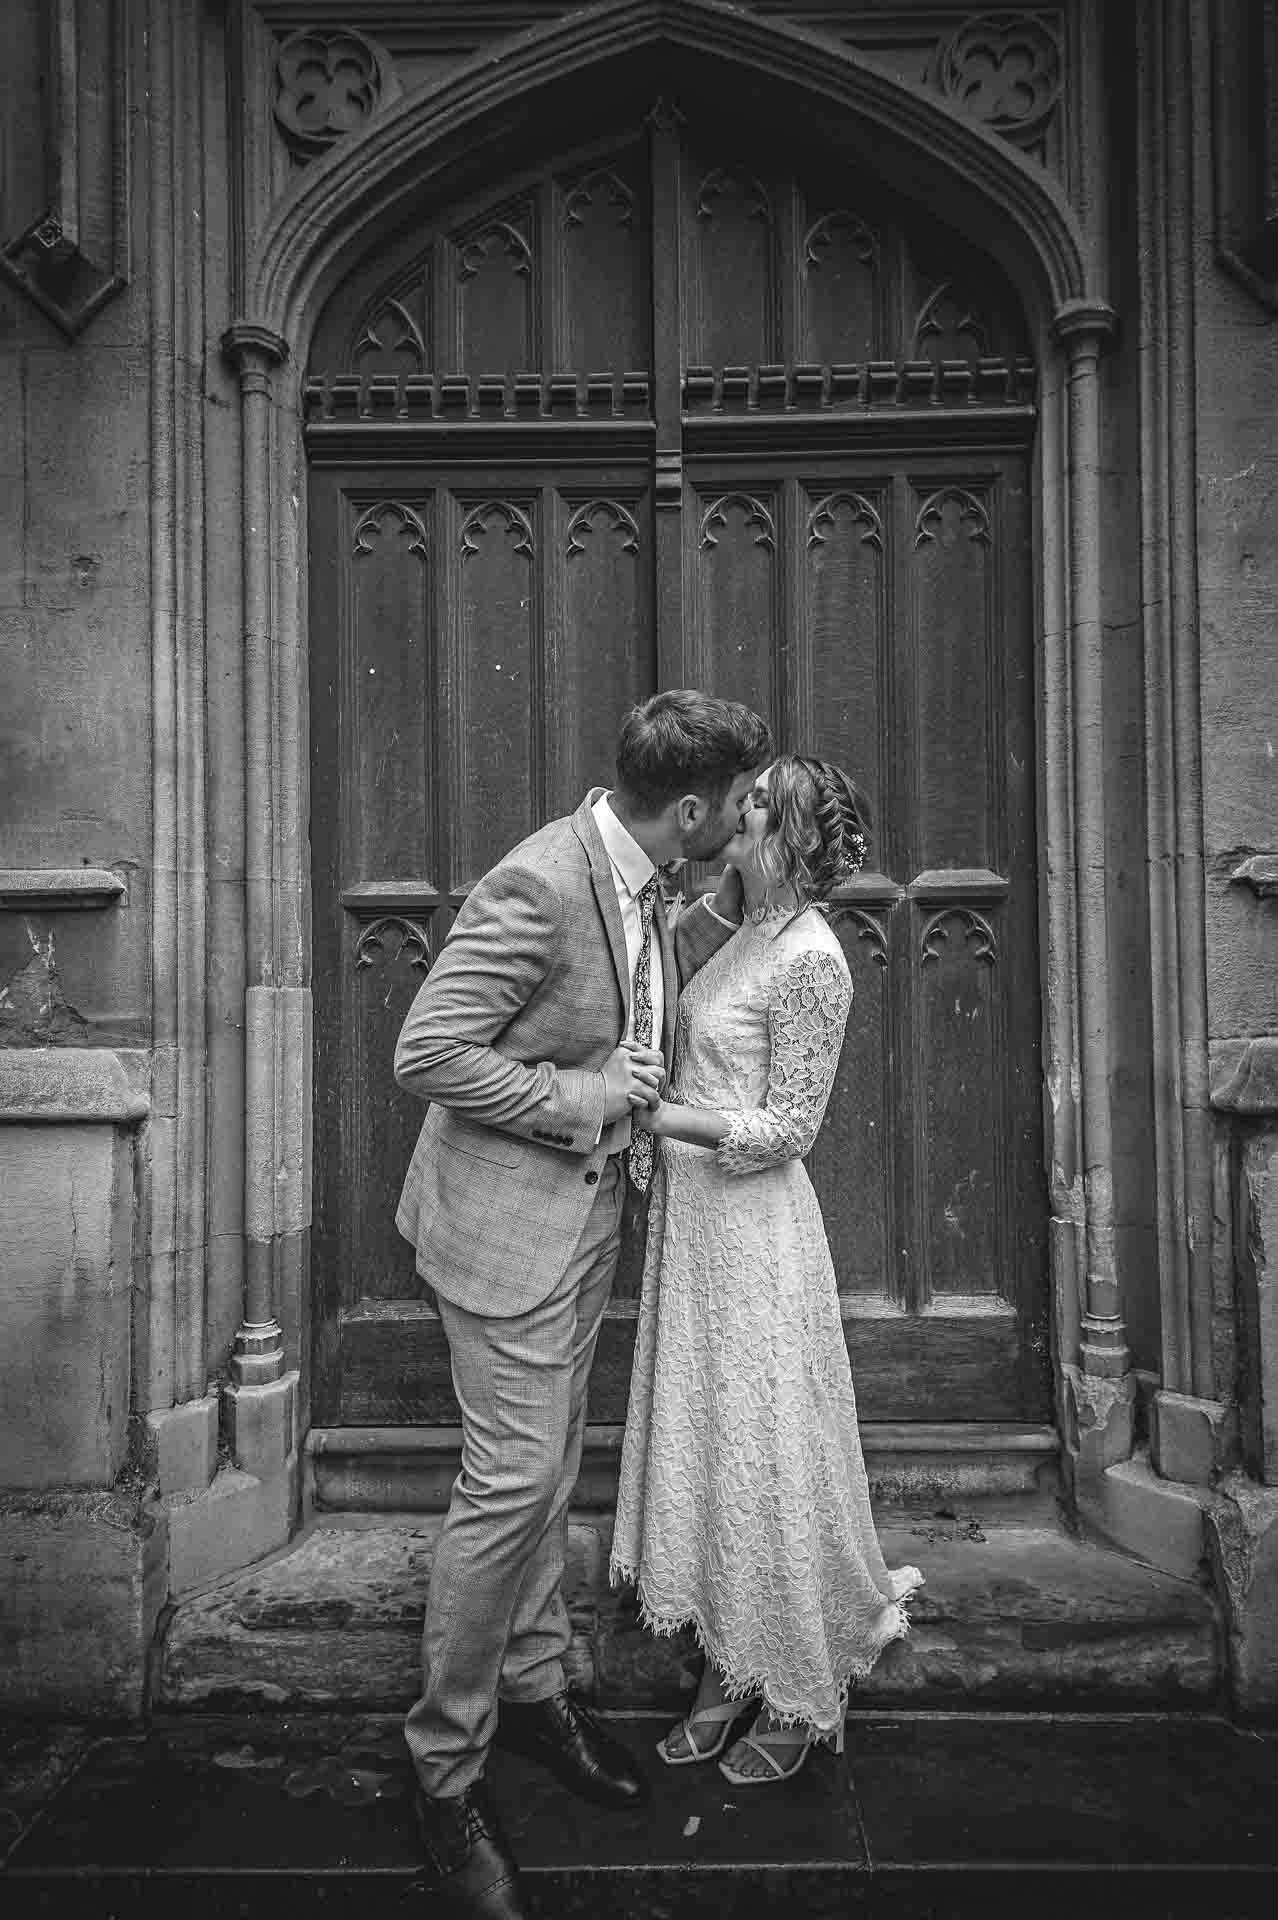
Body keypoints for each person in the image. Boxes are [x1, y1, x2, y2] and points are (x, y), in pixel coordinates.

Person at [393, 690, 772, 1920]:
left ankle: (539, 1692)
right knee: (505, 1491)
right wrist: (586, 1090)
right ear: (695, 808)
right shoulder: (539, 882)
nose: (741, 826)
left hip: (589, 1219)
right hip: (505, 1231)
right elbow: (429, 1053)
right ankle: (443, 1773)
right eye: (739, 808)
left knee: (550, 1475)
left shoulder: (649, 873)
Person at [610, 754, 923, 1787]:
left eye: (752, 807)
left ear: (787, 837)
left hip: (755, 1231)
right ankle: (724, 1670)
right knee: (714, 1444)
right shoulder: (739, 928)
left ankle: (796, 1684)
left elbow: (792, 1127)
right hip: (696, 1230)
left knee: (764, 1450)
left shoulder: (814, 959)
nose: (732, 813)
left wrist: (665, 1119)